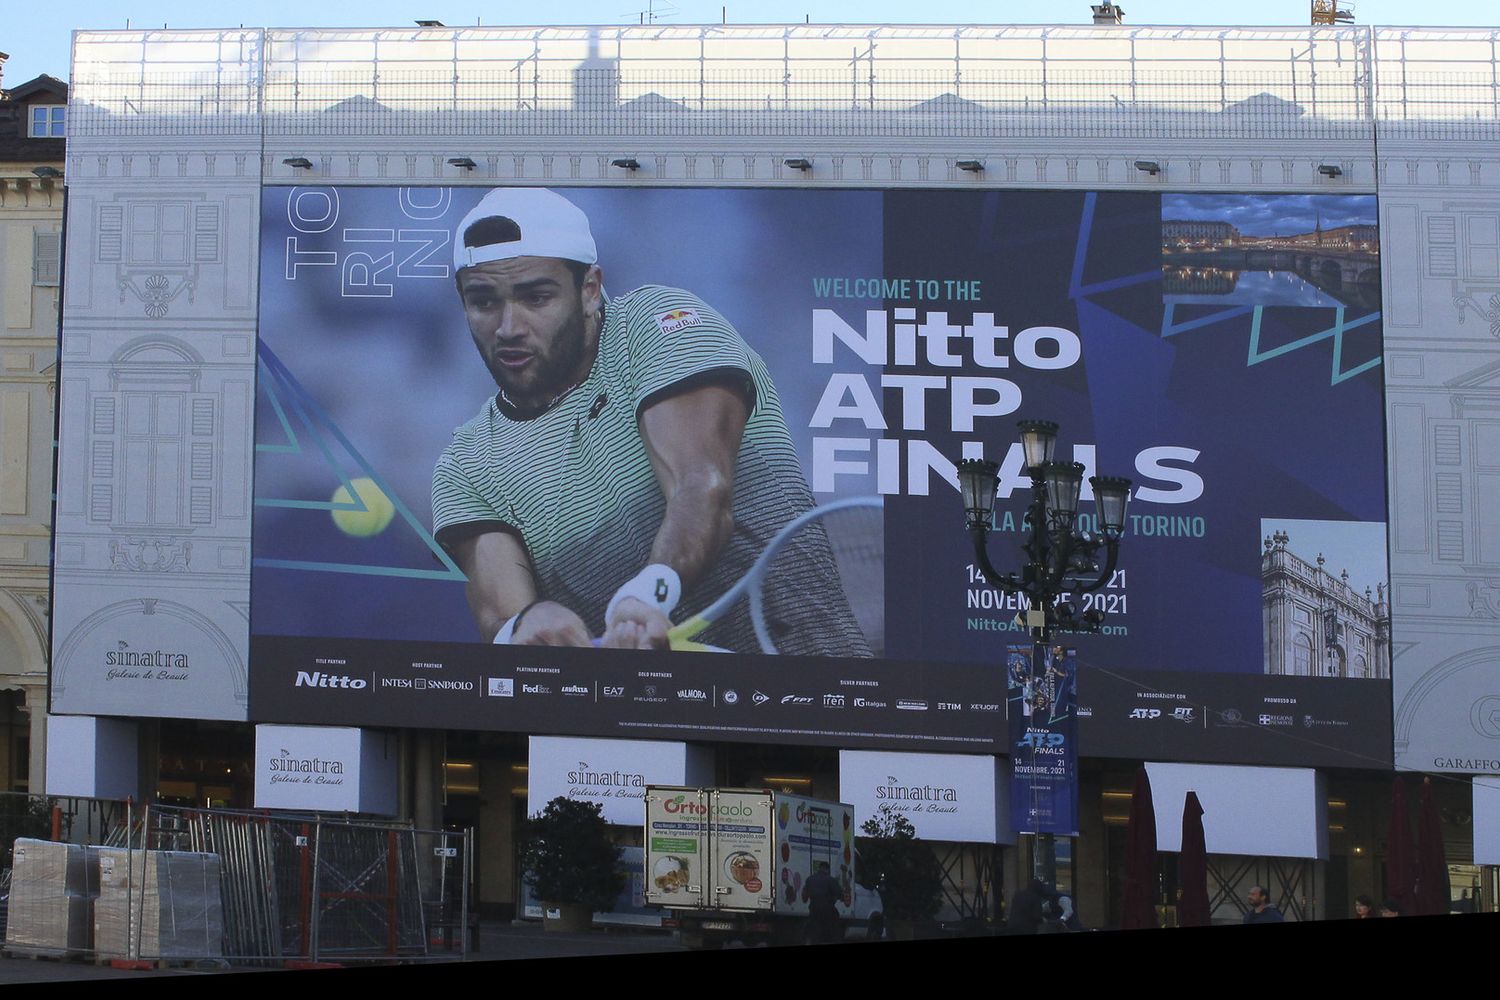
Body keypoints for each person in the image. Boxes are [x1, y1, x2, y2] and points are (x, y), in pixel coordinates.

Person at [431, 188, 871, 656]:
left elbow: (702, 485)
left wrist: (650, 591)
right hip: (631, 715)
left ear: (590, 289)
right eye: (483, 302)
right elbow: (499, 612)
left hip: (812, 691)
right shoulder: (466, 464)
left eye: (536, 297)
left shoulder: (659, 323)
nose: (508, 327)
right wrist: (527, 622)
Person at [801, 861, 843, 944]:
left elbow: (805, 895)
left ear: (819, 868)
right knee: (834, 930)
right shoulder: (831, 880)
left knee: (814, 934)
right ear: (827, 869)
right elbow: (839, 894)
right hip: (828, 911)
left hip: (814, 910)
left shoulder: (809, 879)